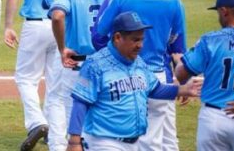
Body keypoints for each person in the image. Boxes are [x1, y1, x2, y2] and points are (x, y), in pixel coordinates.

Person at [93, 0, 186, 151]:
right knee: (156, 141)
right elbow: (177, 46)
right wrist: (183, 81)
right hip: (159, 76)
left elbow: (99, 35)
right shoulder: (173, 0)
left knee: (121, 140)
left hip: (122, 76)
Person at [66, 12, 201, 151]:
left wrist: (182, 90)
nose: (140, 45)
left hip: (135, 143)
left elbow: (155, 89)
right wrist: (74, 142)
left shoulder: (138, 62)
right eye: (135, 40)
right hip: (104, 142)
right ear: (118, 37)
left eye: (142, 40)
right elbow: (81, 102)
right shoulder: (95, 65)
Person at [3, 0, 76, 150]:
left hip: (35, 26)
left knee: (26, 78)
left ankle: (37, 122)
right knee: (56, 85)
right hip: (62, 28)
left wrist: (8, 25)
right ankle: (55, 132)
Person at [48, 0, 119, 150]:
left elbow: (57, 15)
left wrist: (62, 48)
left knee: (69, 112)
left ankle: (58, 146)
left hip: (76, 63)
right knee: (100, 116)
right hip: (106, 63)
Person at [175, 0, 234, 151]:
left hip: (214, 119)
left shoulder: (210, 41)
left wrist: (178, 60)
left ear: (224, 11)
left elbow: (181, 74)